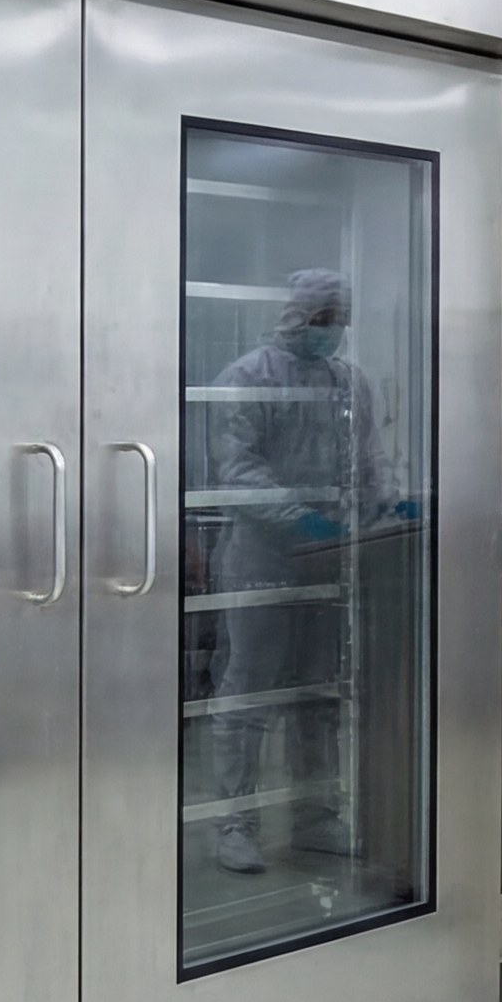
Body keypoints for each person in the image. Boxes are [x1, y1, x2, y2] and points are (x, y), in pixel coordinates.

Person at [197, 268, 398, 876]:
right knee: (250, 689)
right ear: (294, 316)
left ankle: (315, 815)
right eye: (321, 319)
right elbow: (239, 474)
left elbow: (367, 458)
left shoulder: (349, 382)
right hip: (262, 555)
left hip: (332, 557)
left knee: (318, 691)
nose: (331, 331)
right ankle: (234, 822)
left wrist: (383, 505)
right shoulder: (248, 377)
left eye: (338, 320)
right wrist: (302, 521)